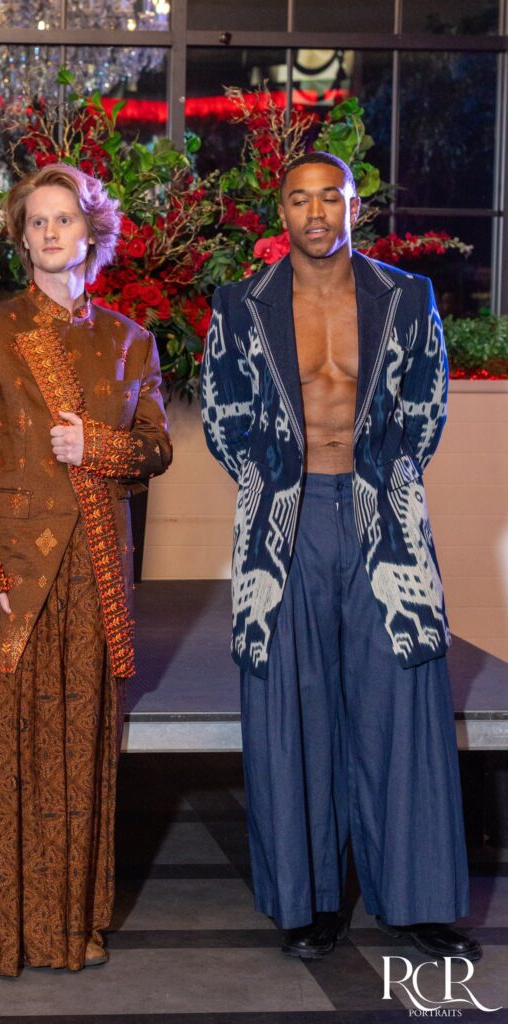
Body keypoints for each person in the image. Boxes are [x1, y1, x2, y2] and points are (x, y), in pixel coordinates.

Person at [0, 163, 172, 981]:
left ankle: (64, 926)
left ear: (93, 231)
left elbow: (156, 448)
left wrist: (98, 446)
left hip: (98, 574)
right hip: (12, 573)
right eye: (36, 221)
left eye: (65, 219)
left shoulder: (131, 339)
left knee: (78, 754)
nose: (51, 233)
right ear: (21, 237)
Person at [200, 151, 479, 962]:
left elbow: (427, 408)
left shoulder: (405, 295)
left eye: (331, 197)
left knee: (404, 700)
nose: (316, 212)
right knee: (292, 703)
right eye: (300, 199)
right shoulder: (240, 304)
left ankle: (417, 903)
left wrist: (386, 481)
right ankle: (309, 902)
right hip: (283, 522)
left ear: (356, 206)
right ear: (281, 211)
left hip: (382, 515)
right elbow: (222, 417)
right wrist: (276, 483)